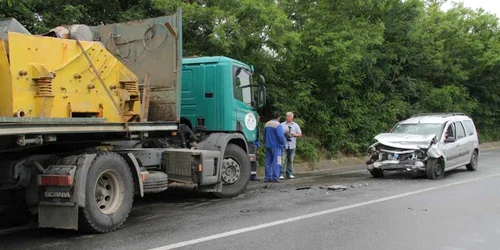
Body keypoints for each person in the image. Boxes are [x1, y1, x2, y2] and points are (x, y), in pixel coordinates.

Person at [263, 111, 285, 183]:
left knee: (268, 162)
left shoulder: (267, 124)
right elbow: (280, 136)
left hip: (268, 145)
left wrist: (266, 142)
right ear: (279, 117)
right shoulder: (278, 125)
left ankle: (267, 177)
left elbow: (264, 135)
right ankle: (275, 177)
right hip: (276, 146)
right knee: (277, 161)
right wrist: (282, 143)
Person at [280, 112, 302, 179]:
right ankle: (281, 174)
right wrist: (285, 134)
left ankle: (289, 173)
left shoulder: (295, 125)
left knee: (290, 160)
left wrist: (293, 135)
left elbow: (300, 134)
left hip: (292, 145)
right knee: (282, 160)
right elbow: (279, 134)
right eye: (286, 116)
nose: (287, 117)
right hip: (284, 145)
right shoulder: (282, 125)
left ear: (292, 117)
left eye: (289, 116)